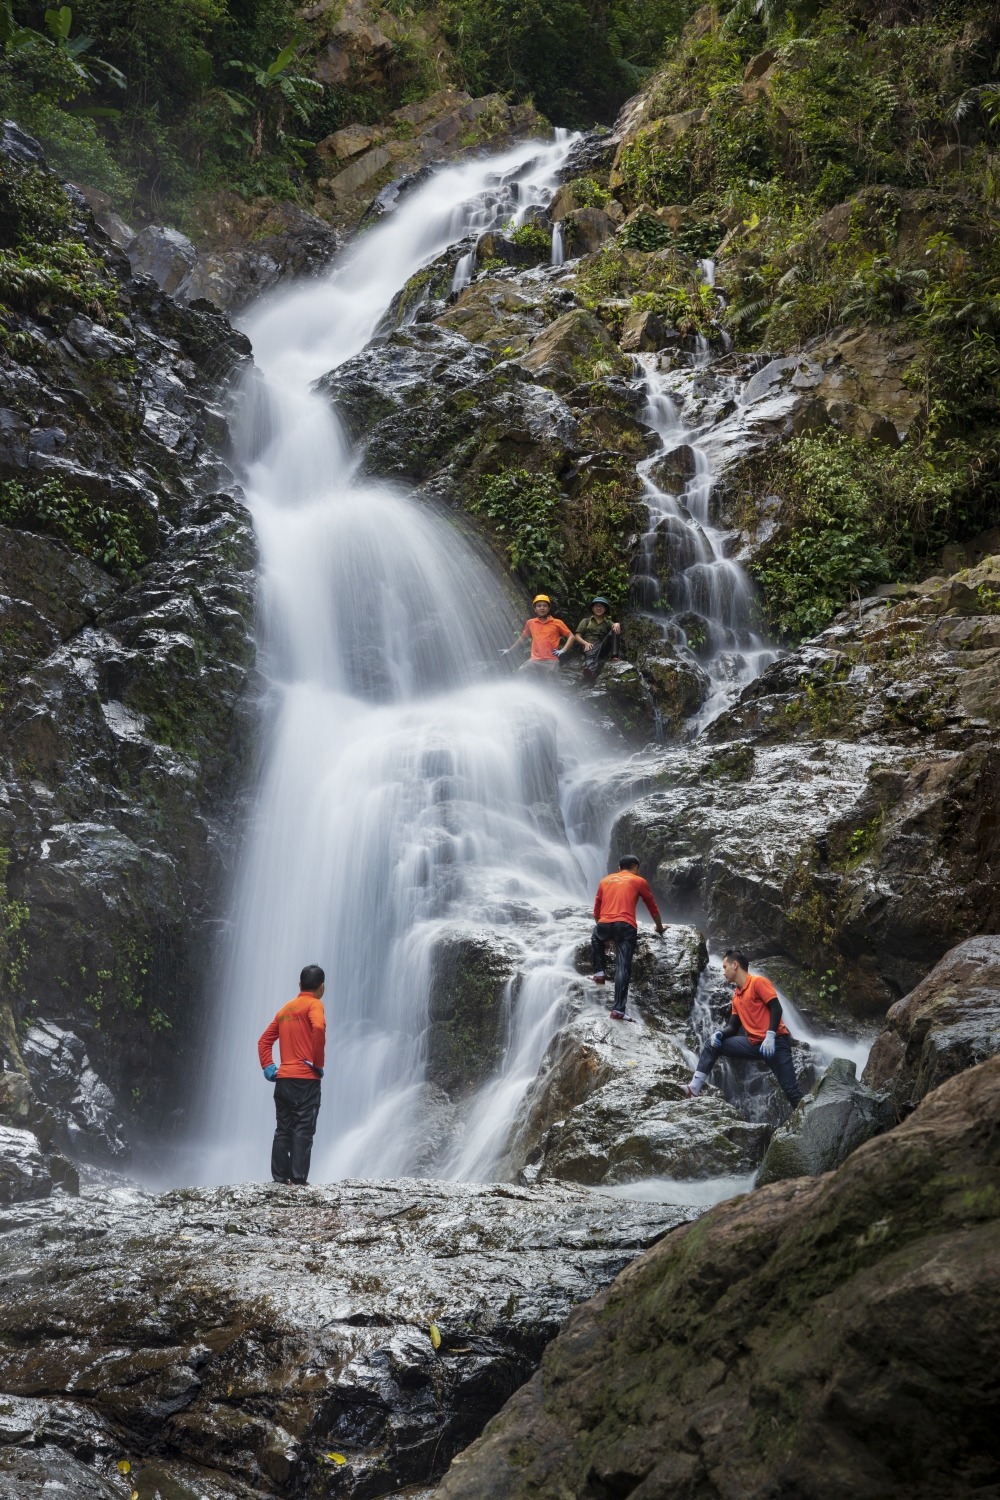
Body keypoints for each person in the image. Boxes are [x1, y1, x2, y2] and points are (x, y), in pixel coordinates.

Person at [682, 949, 803, 1105]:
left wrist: (770, 1035)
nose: (723, 971)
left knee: (791, 1091)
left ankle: (809, 1126)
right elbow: (733, 1027)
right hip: (754, 1045)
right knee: (712, 1045)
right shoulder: (736, 997)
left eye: (725, 967)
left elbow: (776, 1008)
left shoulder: (758, 982)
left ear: (735, 965)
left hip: (775, 1043)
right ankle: (693, 1088)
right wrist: (720, 1034)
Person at [258, 964, 327, 1185]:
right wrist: (317, 1063)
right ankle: (298, 1181)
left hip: (284, 1079)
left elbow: (264, 1041)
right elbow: (318, 1028)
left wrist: (269, 1067)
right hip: (306, 1080)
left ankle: (279, 1178)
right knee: (303, 1128)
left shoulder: (285, 1010)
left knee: (283, 1129)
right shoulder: (315, 1005)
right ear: (322, 987)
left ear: (300, 985)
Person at [591, 855, 666, 1021]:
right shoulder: (639, 881)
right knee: (622, 966)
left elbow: (596, 913)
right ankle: (618, 1010)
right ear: (635, 867)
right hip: (625, 926)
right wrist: (659, 928)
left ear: (619, 868)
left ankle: (599, 973)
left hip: (604, 925)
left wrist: (604, 935)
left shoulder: (604, 881)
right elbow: (652, 907)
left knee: (595, 937)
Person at [502, 595, 573, 675]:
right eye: (539, 606)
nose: (542, 608)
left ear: (548, 608)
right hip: (534, 660)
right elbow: (523, 638)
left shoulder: (557, 623)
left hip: (551, 660)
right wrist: (510, 650)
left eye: (545, 606)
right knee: (521, 673)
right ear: (535, 609)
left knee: (551, 684)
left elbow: (571, 636)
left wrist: (563, 650)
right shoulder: (530, 623)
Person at [570, 596, 621, 683]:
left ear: (605, 609)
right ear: (592, 608)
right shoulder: (586, 621)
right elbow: (577, 636)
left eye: (601, 606)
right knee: (594, 646)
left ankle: (614, 655)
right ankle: (590, 673)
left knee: (615, 629)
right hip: (589, 646)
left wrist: (616, 624)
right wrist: (585, 643)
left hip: (602, 647)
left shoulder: (608, 622)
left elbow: (615, 627)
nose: (598, 608)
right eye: (596, 606)